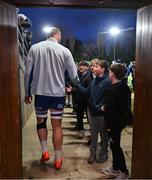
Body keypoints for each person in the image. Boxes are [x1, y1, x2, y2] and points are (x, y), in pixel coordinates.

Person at [24, 27, 77, 170]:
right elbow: (73, 75)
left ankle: (44, 151)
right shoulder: (65, 50)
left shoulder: (35, 48)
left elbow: (28, 72)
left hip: (41, 93)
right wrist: (72, 82)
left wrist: (27, 92)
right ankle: (58, 158)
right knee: (57, 126)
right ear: (57, 35)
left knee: (41, 122)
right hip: (58, 94)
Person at [75, 60, 111, 164]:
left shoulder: (107, 82)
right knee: (93, 134)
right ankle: (93, 153)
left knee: (104, 135)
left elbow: (109, 98)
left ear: (103, 69)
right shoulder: (94, 81)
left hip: (101, 114)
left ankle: (104, 153)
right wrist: (77, 85)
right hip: (92, 113)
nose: (93, 68)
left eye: (96, 66)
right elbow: (87, 93)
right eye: (93, 66)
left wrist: (102, 107)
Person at [101, 63, 132, 179]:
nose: (108, 73)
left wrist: (104, 108)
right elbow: (124, 105)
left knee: (115, 146)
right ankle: (115, 167)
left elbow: (111, 109)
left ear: (112, 74)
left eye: (109, 72)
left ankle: (124, 171)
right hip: (122, 120)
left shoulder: (111, 89)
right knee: (114, 145)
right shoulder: (125, 86)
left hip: (114, 123)